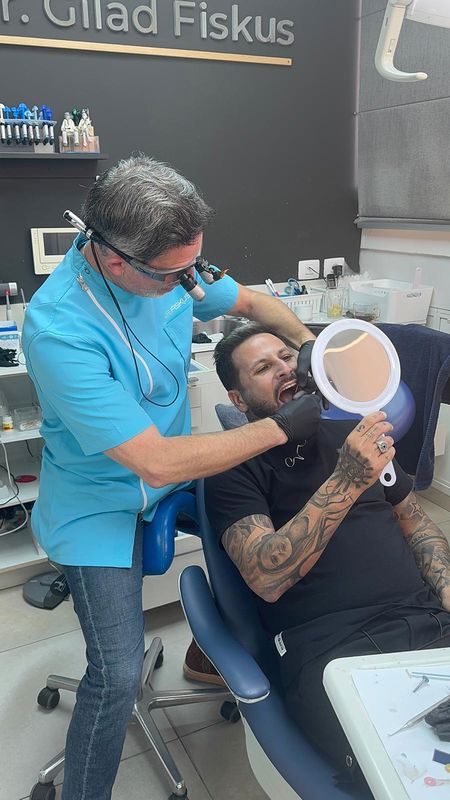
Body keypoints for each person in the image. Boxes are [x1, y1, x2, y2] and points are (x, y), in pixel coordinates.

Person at [22, 155, 321, 800]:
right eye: (176, 274)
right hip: (99, 499)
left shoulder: (172, 270)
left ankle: (216, 652)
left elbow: (255, 302)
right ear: (116, 262)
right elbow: (153, 460)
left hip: (177, 473)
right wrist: (281, 426)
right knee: (117, 670)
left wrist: (311, 350)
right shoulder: (59, 330)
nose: (193, 284)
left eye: (195, 265)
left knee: (277, 534)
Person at [205, 322, 450, 784]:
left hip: (428, 620)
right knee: (419, 773)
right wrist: (347, 479)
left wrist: (447, 586)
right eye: (263, 368)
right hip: (337, 653)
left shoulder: (353, 433)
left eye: (286, 356)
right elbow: (266, 576)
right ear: (239, 400)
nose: (284, 369)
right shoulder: (233, 468)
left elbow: (415, 521)